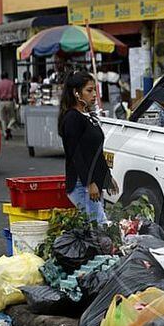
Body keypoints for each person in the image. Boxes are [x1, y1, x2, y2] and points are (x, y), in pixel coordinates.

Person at [58, 71, 115, 225]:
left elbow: (95, 151)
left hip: (93, 182)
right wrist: (89, 183)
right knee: (99, 226)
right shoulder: (72, 118)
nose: (94, 94)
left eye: (95, 90)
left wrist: (107, 177)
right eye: (89, 90)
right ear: (77, 93)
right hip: (81, 183)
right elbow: (76, 154)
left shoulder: (88, 116)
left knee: (96, 226)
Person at [0, 72, 18, 140]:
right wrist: (17, 101)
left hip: (1, 102)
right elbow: (15, 94)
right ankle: (9, 127)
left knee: (3, 119)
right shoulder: (11, 83)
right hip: (9, 101)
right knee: (13, 118)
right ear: (7, 76)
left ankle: (5, 134)